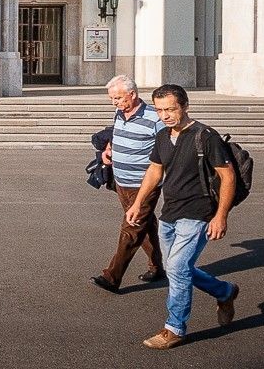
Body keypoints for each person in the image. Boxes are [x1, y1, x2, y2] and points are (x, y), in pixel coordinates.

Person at [125, 84, 239, 350]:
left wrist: (220, 216)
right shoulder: (163, 136)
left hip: (197, 214)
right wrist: (138, 204)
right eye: (159, 110)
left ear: (185, 106)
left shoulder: (205, 136)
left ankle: (174, 328)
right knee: (179, 269)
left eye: (170, 109)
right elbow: (155, 171)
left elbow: (228, 176)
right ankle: (224, 291)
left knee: (176, 269)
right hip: (169, 214)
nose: (165, 115)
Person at [91, 75, 165, 293]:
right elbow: (116, 134)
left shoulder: (154, 118)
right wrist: (107, 150)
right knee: (145, 224)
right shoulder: (119, 113)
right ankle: (157, 266)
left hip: (144, 184)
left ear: (132, 95)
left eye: (118, 98)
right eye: (112, 98)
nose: (114, 102)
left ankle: (112, 277)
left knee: (131, 227)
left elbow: (166, 148)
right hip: (121, 181)